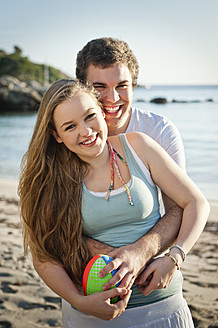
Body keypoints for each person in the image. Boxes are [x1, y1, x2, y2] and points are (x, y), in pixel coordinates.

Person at [18, 79, 209, 327]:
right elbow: (44, 256)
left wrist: (174, 258)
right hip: (92, 315)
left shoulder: (139, 147)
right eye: (70, 126)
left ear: (101, 110)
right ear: (56, 135)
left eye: (90, 116)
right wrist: (80, 301)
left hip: (162, 308)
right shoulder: (51, 180)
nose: (86, 131)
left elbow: (196, 202)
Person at [75, 37, 186, 294]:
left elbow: (180, 207)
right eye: (99, 86)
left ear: (134, 86)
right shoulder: (70, 136)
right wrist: (111, 256)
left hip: (150, 278)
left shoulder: (158, 131)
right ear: (82, 87)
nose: (112, 98)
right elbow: (48, 226)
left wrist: (142, 253)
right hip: (88, 283)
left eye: (122, 86)